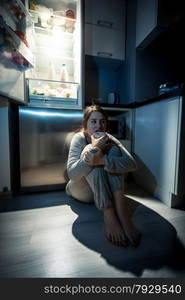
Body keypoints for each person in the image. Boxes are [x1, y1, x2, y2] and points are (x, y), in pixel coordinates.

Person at [66, 105, 141, 247]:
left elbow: (132, 164)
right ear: (86, 124)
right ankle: (109, 213)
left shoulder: (109, 137)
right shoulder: (79, 138)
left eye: (102, 122)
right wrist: (96, 148)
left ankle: (122, 212)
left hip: (101, 191)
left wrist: (103, 160)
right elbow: (72, 174)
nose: (98, 126)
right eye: (93, 121)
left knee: (112, 151)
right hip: (80, 190)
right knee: (91, 151)